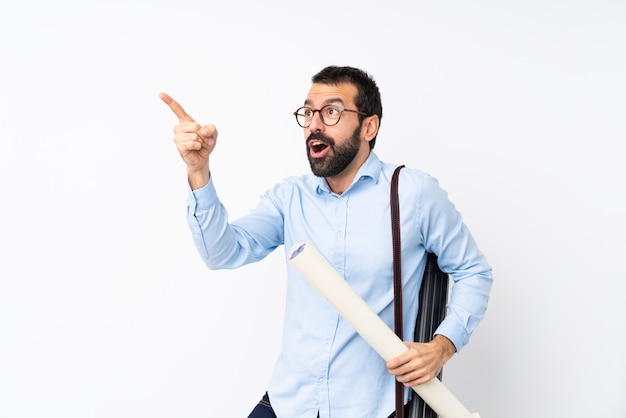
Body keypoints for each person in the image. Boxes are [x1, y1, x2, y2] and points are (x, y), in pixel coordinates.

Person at [160, 65, 493, 418]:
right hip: (291, 402)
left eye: (331, 112)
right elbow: (221, 253)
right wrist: (198, 171)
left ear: (369, 126)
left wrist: (442, 346)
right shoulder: (291, 197)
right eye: (308, 113)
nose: (315, 124)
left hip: (370, 408)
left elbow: (474, 272)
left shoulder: (413, 194)